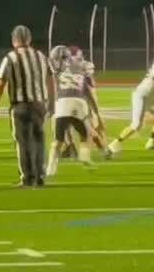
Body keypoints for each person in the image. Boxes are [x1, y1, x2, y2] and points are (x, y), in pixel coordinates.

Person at [0, 25, 53, 187]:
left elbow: (0, 82)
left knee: (23, 142)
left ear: (13, 40)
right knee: (39, 140)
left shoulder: (11, 57)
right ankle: (39, 176)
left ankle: (27, 178)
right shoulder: (41, 56)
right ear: (30, 39)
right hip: (39, 104)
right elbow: (50, 79)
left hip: (20, 106)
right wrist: (50, 101)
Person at [45, 45, 109, 177]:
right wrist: (96, 111)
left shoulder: (55, 70)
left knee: (58, 140)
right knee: (85, 136)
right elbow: (88, 90)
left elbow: (51, 87)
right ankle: (85, 156)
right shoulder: (80, 68)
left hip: (62, 102)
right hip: (79, 102)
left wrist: (50, 107)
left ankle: (51, 167)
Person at [110, 41, 154, 153]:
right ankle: (113, 145)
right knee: (136, 125)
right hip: (141, 96)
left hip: (150, 98)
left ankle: (152, 141)